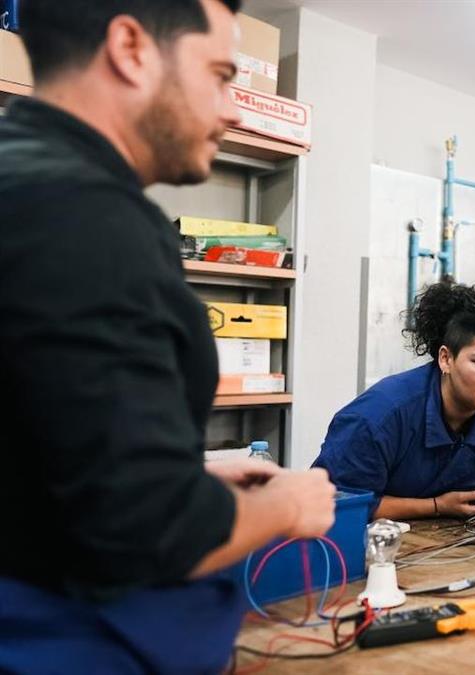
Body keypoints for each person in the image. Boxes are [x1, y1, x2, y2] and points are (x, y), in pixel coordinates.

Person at [0, 2, 336, 672]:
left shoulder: (23, 178)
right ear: (131, 47)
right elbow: (144, 529)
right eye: (217, 75)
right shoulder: (87, 217)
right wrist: (282, 503)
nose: (234, 110)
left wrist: (191, 469)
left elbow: (34, 433)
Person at [314, 282, 475, 520]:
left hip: (450, 541)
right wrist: (436, 506)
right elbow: (336, 503)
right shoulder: (379, 417)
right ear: (446, 359)